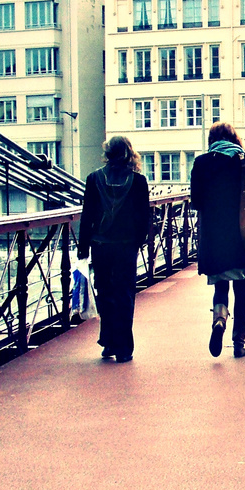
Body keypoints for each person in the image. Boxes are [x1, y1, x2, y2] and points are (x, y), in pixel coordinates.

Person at [79, 136, 152, 362]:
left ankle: (108, 342)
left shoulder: (93, 179)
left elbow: (87, 215)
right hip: (125, 246)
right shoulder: (138, 182)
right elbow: (144, 217)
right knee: (125, 294)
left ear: (107, 153)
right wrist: (138, 242)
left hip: (100, 245)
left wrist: (83, 247)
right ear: (130, 153)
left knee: (105, 292)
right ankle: (124, 348)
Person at [191, 122, 245, 358]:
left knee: (221, 286)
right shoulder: (243, 161)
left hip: (214, 237)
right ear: (233, 138)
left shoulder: (201, 163)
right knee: (241, 289)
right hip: (240, 234)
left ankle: (219, 320)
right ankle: (239, 342)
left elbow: (196, 202)